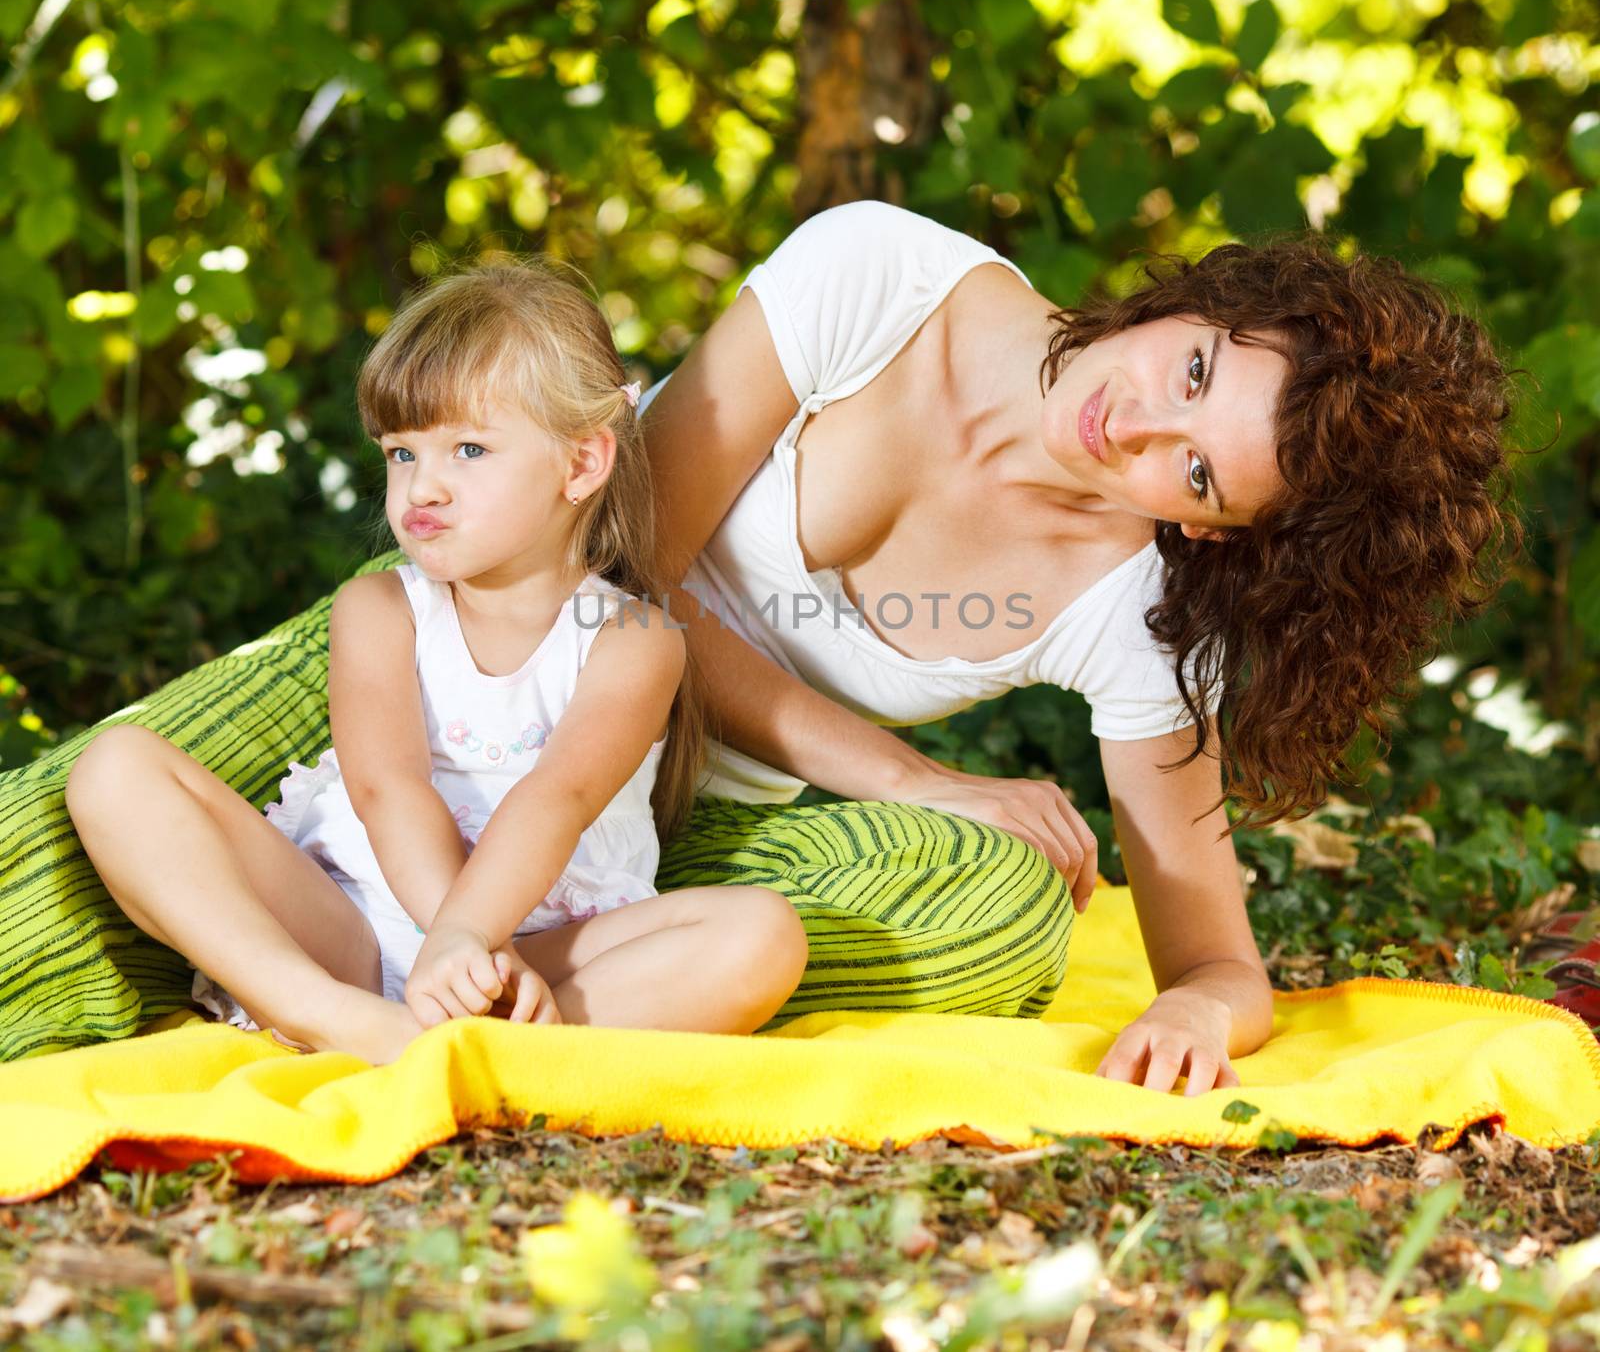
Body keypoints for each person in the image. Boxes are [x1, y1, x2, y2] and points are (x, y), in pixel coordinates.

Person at [636, 200, 1516, 1097]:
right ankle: (594, 960)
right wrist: (916, 779)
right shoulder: (881, 275)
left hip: (693, 835)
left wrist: (1194, 1012)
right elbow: (618, 583)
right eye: (1195, 372)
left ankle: (600, 948)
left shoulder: (1141, 605)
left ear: (1210, 530)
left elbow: (1216, 961)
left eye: (1197, 471)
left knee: (1008, 909)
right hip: (519, 716)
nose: (1134, 426)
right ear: (1202, 303)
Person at [61, 258, 809, 1065]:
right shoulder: (380, 610)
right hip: (348, 934)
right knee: (113, 768)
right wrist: (445, 938)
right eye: (401, 453)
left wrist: (473, 945)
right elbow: (387, 788)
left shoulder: (632, 640)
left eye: (469, 449)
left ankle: (480, 1047)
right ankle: (328, 1017)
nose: (424, 486)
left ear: (582, 464)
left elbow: (557, 797)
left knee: (763, 934)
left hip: (535, 963)